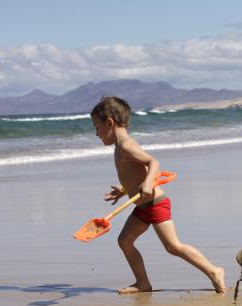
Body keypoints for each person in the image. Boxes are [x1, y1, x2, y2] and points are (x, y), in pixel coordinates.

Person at [90, 96, 226, 294]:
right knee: (124, 241)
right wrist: (124, 189)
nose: (96, 133)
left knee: (172, 246)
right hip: (142, 206)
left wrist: (146, 182)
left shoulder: (127, 146)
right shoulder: (120, 147)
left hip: (155, 203)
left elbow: (153, 163)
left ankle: (214, 271)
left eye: (96, 127)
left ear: (109, 123)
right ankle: (142, 283)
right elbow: (136, 175)